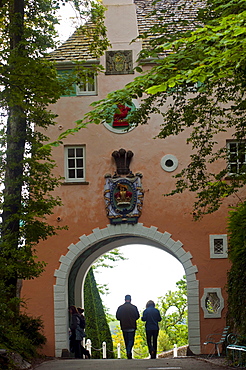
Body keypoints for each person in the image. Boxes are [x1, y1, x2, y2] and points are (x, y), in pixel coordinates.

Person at [116, 295, 140, 359]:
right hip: (132, 326)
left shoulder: (120, 308)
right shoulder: (134, 307)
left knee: (126, 340)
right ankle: (129, 351)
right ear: (130, 299)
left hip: (124, 326)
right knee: (131, 340)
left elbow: (117, 317)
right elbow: (137, 316)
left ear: (124, 299)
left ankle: (128, 352)